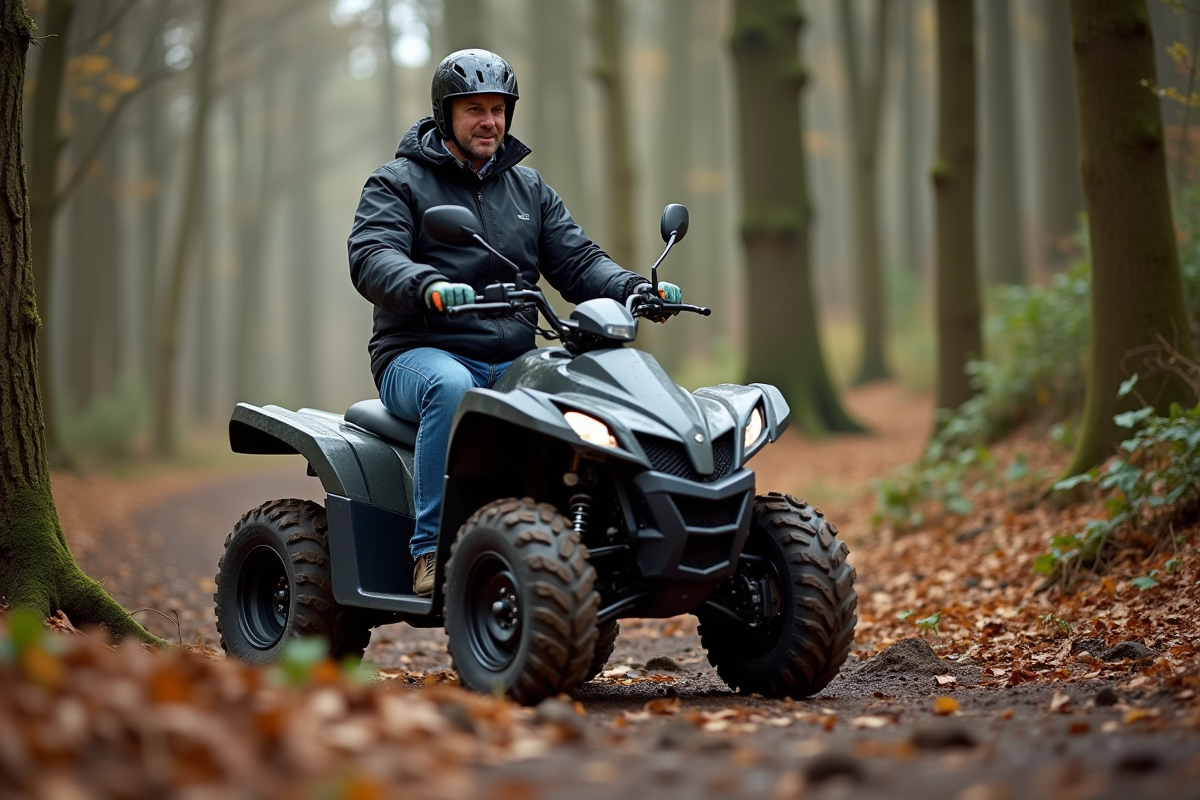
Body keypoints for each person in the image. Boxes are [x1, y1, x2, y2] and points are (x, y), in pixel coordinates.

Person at [347, 49, 680, 596]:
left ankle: (594, 541)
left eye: (498, 109)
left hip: (514, 360)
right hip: (420, 353)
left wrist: (633, 288)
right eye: (474, 109)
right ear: (445, 114)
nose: (489, 121)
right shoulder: (397, 183)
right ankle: (429, 550)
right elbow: (373, 256)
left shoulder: (529, 190)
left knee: (586, 385)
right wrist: (426, 285)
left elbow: (577, 261)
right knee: (450, 386)